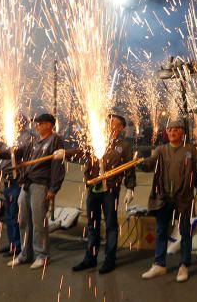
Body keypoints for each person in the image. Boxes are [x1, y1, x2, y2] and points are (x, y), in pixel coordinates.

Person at [138, 117, 197, 282]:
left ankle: (184, 265)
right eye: (170, 130)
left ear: (182, 132)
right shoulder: (161, 150)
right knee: (161, 230)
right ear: (166, 133)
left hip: (184, 198)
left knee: (185, 232)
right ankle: (159, 264)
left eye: (176, 129)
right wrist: (140, 163)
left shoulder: (190, 150)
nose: (173, 132)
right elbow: (150, 164)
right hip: (163, 197)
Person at [0, 112, 66, 269]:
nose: (37, 125)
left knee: (38, 222)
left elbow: (58, 166)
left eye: (40, 123)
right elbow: (16, 154)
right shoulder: (34, 141)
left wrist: (53, 188)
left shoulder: (55, 141)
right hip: (26, 185)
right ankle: (25, 254)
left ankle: (42, 255)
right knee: (23, 220)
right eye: (37, 123)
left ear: (49, 124)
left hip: (41, 185)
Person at [71, 113, 137, 275]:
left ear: (121, 127)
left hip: (111, 190)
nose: (110, 123)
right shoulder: (97, 139)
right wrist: (64, 153)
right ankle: (90, 258)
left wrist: (130, 188)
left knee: (110, 224)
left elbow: (129, 167)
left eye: (114, 121)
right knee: (92, 224)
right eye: (109, 120)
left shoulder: (124, 145)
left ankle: (110, 259)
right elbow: (81, 152)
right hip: (94, 188)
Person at [0, 123, 35, 259]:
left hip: (16, 181)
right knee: (9, 215)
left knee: (15, 215)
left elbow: (15, 154)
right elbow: (0, 159)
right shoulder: (8, 137)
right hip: (7, 181)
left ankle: (18, 245)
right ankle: (13, 242)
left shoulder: (26, 138)